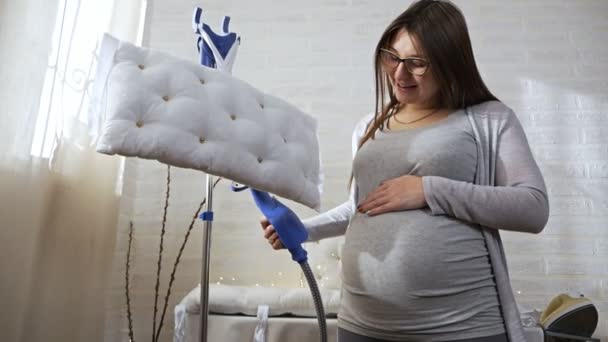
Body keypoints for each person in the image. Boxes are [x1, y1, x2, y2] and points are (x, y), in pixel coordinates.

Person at [261, 1, 549, 341]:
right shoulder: (369, 127)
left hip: (460, 327)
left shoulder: (488, 119)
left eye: (417, 63)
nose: (399, 73)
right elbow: (364, 206)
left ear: (450, 63)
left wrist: (429, 189)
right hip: (360, 324)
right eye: (392, 57)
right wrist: (304, 230)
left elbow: (533, 208)